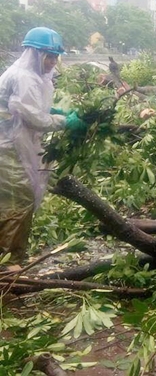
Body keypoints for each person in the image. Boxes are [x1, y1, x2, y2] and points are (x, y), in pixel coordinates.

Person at [0, 27, 84, 264]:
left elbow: (32, 109)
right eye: (49, 56)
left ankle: (7, 258)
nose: (52, 62)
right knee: (19, 203)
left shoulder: (31, 76)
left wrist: (54, 112)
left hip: (15, 146)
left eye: (56, 56)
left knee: (11, 202)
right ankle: (10, 264)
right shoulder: (24, 77)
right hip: (9, 150)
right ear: (35, 54)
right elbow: (33, 117)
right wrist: (65, 121)